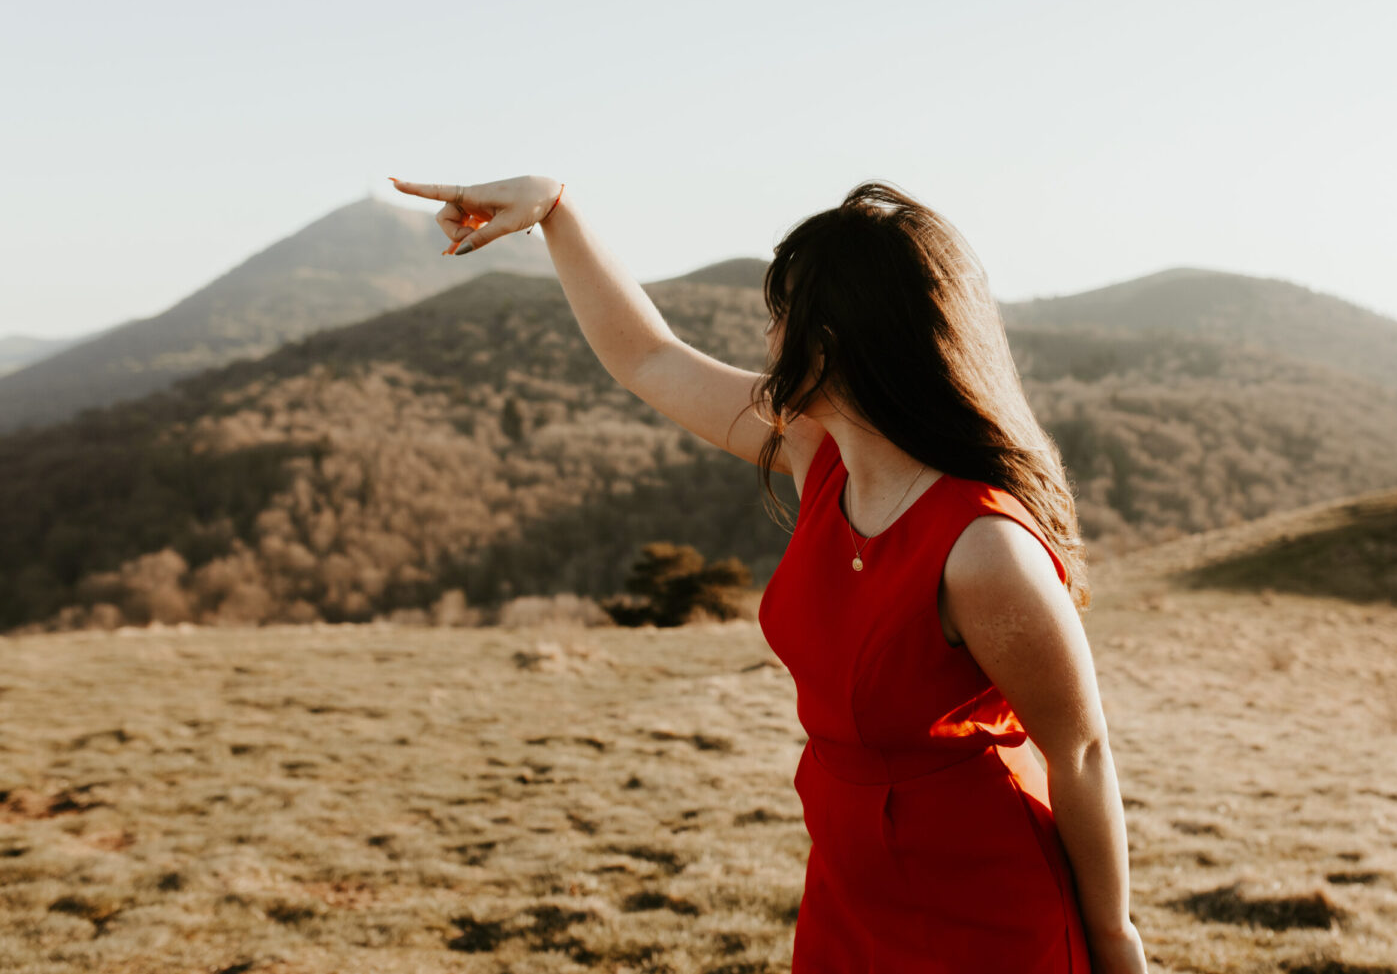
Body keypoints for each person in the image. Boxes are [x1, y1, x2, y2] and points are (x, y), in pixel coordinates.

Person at [390, 174, 1148, 974]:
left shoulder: (983, 546)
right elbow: (648, 357)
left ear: (833, 343)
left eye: (781, 314)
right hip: (850, 892)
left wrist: (1115, 944)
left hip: (982, 911)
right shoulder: (818, 455)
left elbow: (1083, 753)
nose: (769, 334)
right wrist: (555, 210)